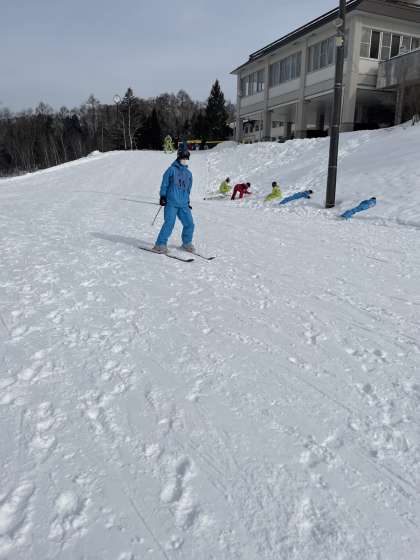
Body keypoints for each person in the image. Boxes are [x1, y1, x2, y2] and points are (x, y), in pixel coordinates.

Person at [153, 143, 195, 254]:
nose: (185, 160)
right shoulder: (171, 170)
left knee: (190, 224)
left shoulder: (189, 174)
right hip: (171, 202)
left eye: (186, 158)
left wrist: (187, 201)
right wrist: (163, 196)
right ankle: (160, 244)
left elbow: (188, 189)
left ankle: (187, 243)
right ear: (179, 157)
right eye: (183, 158)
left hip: (183, 204)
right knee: (169, 224)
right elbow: (165, 184)